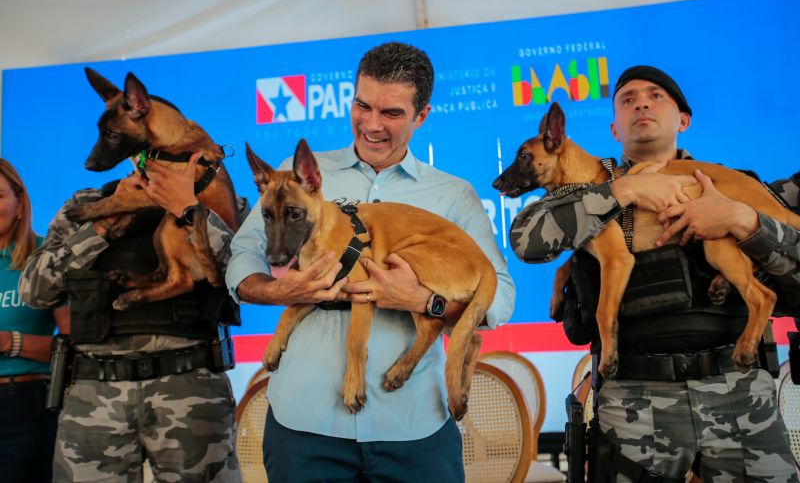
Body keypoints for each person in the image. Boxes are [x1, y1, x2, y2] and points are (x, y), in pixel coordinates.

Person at [226, 41, 515, 482]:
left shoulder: (453, 194)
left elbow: (500, 297)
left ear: (422, 116)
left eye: (392, 113)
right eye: (363, 105)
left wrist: (424, 300)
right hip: (304, 422)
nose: (372, 125)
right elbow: (243, 256)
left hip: (414, 425)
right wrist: (277, 290)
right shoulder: (294, 175)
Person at [509, 65, 800, 482]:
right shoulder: (582, 192)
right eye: (627, 98)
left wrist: (742, 221)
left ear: (684, 119)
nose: (641, 102)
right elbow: (526, 242)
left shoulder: (734, 183)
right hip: (634, 400)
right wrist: (620, 191)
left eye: (656, 95)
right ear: (614, 130)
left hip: (739, 394)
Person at [20, 150, 243, 481]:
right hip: (96, 394)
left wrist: (188, 209)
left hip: (189, 388)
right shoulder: (88, 204)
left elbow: (243, 277)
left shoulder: (221, 204)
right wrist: (105, 221)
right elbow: (35, 290)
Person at [0, 159, 69, 483]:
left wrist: (9, 342)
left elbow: (76, 348)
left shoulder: (46, 258)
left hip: (24, 408)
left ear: (19, 203)